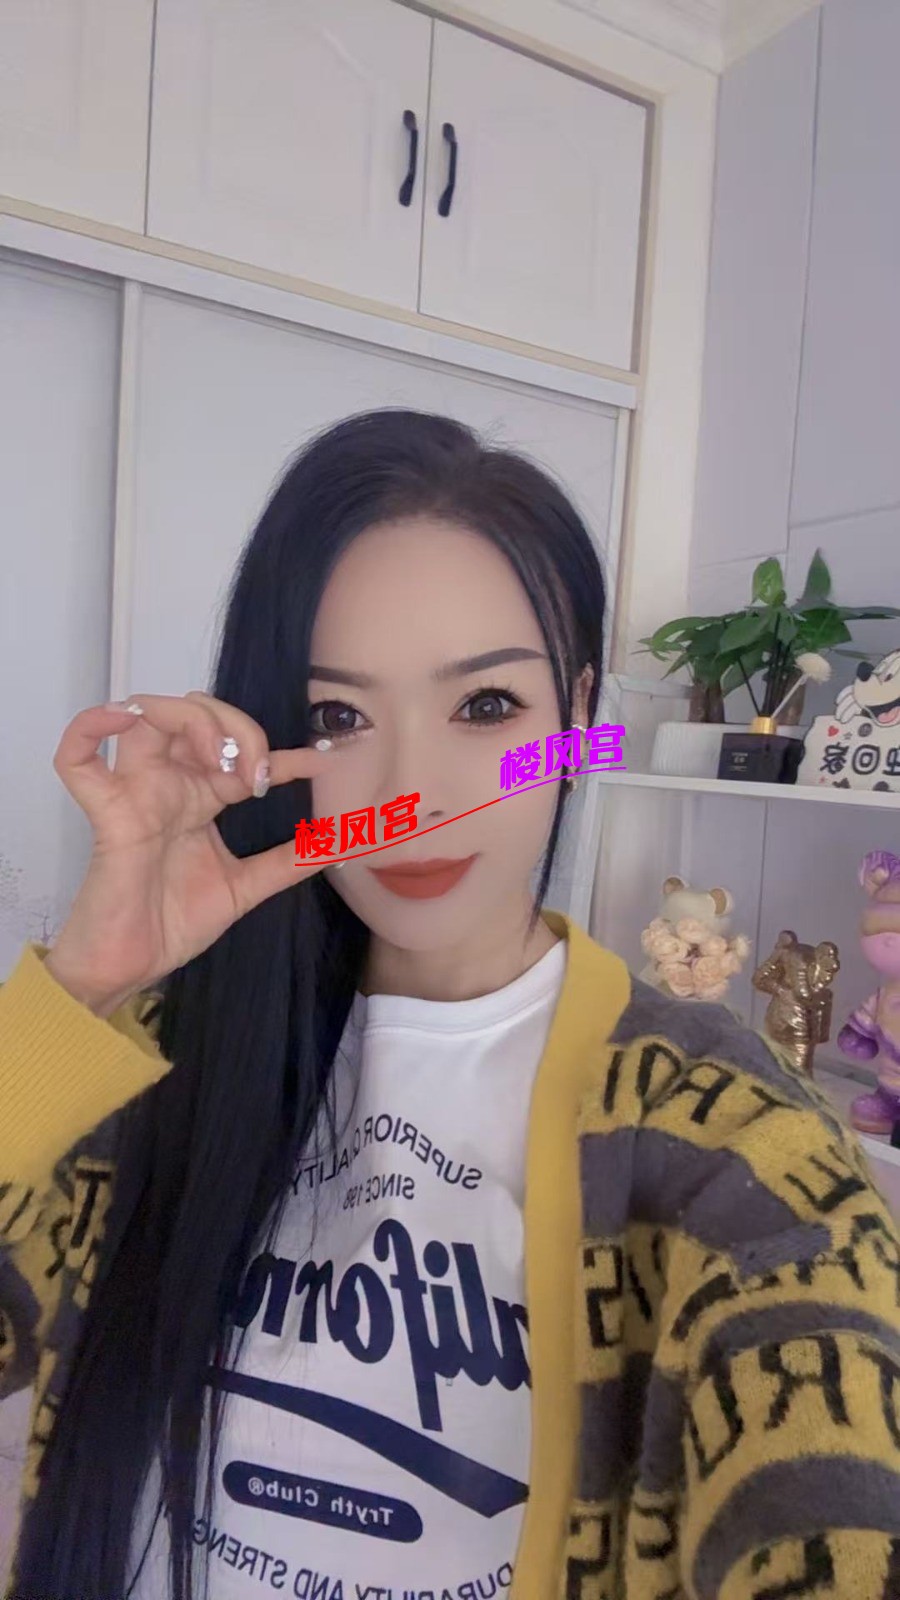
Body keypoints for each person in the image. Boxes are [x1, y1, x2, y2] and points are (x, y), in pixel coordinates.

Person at [2, 410, 900, 1600]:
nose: (414, 794)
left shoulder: (727, 1142)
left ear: (577, 720)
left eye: (486, 707)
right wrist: (89, 980)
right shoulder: (160, 1056)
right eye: (338, 717)